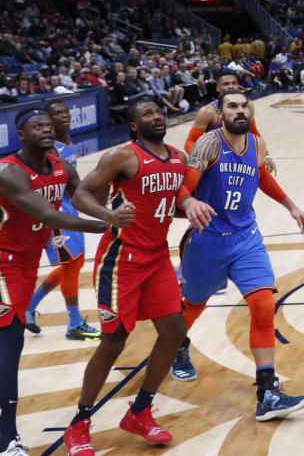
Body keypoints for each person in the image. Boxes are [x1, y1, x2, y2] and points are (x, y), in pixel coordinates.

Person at [63, 100, 213, 455]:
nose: (157, 115)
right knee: (114, 341)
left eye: (159, 111)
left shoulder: (177, 158)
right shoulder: (121, 157)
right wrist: (109, 215)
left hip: (158, 256)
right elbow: (81, 194)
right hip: (121, 259)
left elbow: (168, 205)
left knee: (175, 331)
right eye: (147, 113)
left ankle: (141, 410)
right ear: (133, 125)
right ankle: (79, 423)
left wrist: (191, 207)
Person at [171, 91, 304, 421]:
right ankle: (178, 347)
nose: (239, 110)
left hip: (245, 238)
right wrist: (189, 202)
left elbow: (261, 176)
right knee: (192, 306)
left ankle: (267, 393)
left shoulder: (257, 144)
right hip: (207, 241)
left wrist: (291, 206)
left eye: (244, 105)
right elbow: (184, 188)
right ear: (220, 113)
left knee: (263, 304)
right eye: (231, 106)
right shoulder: (209, 144)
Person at [0, 109, 108, 456]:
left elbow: (83, 195)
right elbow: (49, 214)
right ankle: (7, 442)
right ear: (20, 135)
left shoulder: (61, 166)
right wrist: (106, 224)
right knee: (10, 338)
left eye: (48, 126)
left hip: (26, 263)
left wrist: (110, 198)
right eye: (37, 126)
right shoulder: (7, 171)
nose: (45, 129)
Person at [24, 101, 101, 340]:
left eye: (65, 112)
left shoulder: (67, 143)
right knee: (70, 265)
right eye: (56, 114)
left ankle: (28, 307)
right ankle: (74, 322)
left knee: (74, 264)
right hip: (55, 214)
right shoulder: (49, 149)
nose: (63, 116)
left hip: (69, 212)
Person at [183, 74, 276, 174]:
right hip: (217, 161)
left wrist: (266, 155)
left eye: (234, 83)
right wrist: (202, 158)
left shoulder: (247, 105)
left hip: (240, 157)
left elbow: (253, 132)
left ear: (238, 86)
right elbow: (191, 141)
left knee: (259, 180)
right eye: (226, 84)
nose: (230, 86)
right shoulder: (207, 111)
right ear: (218, 88)